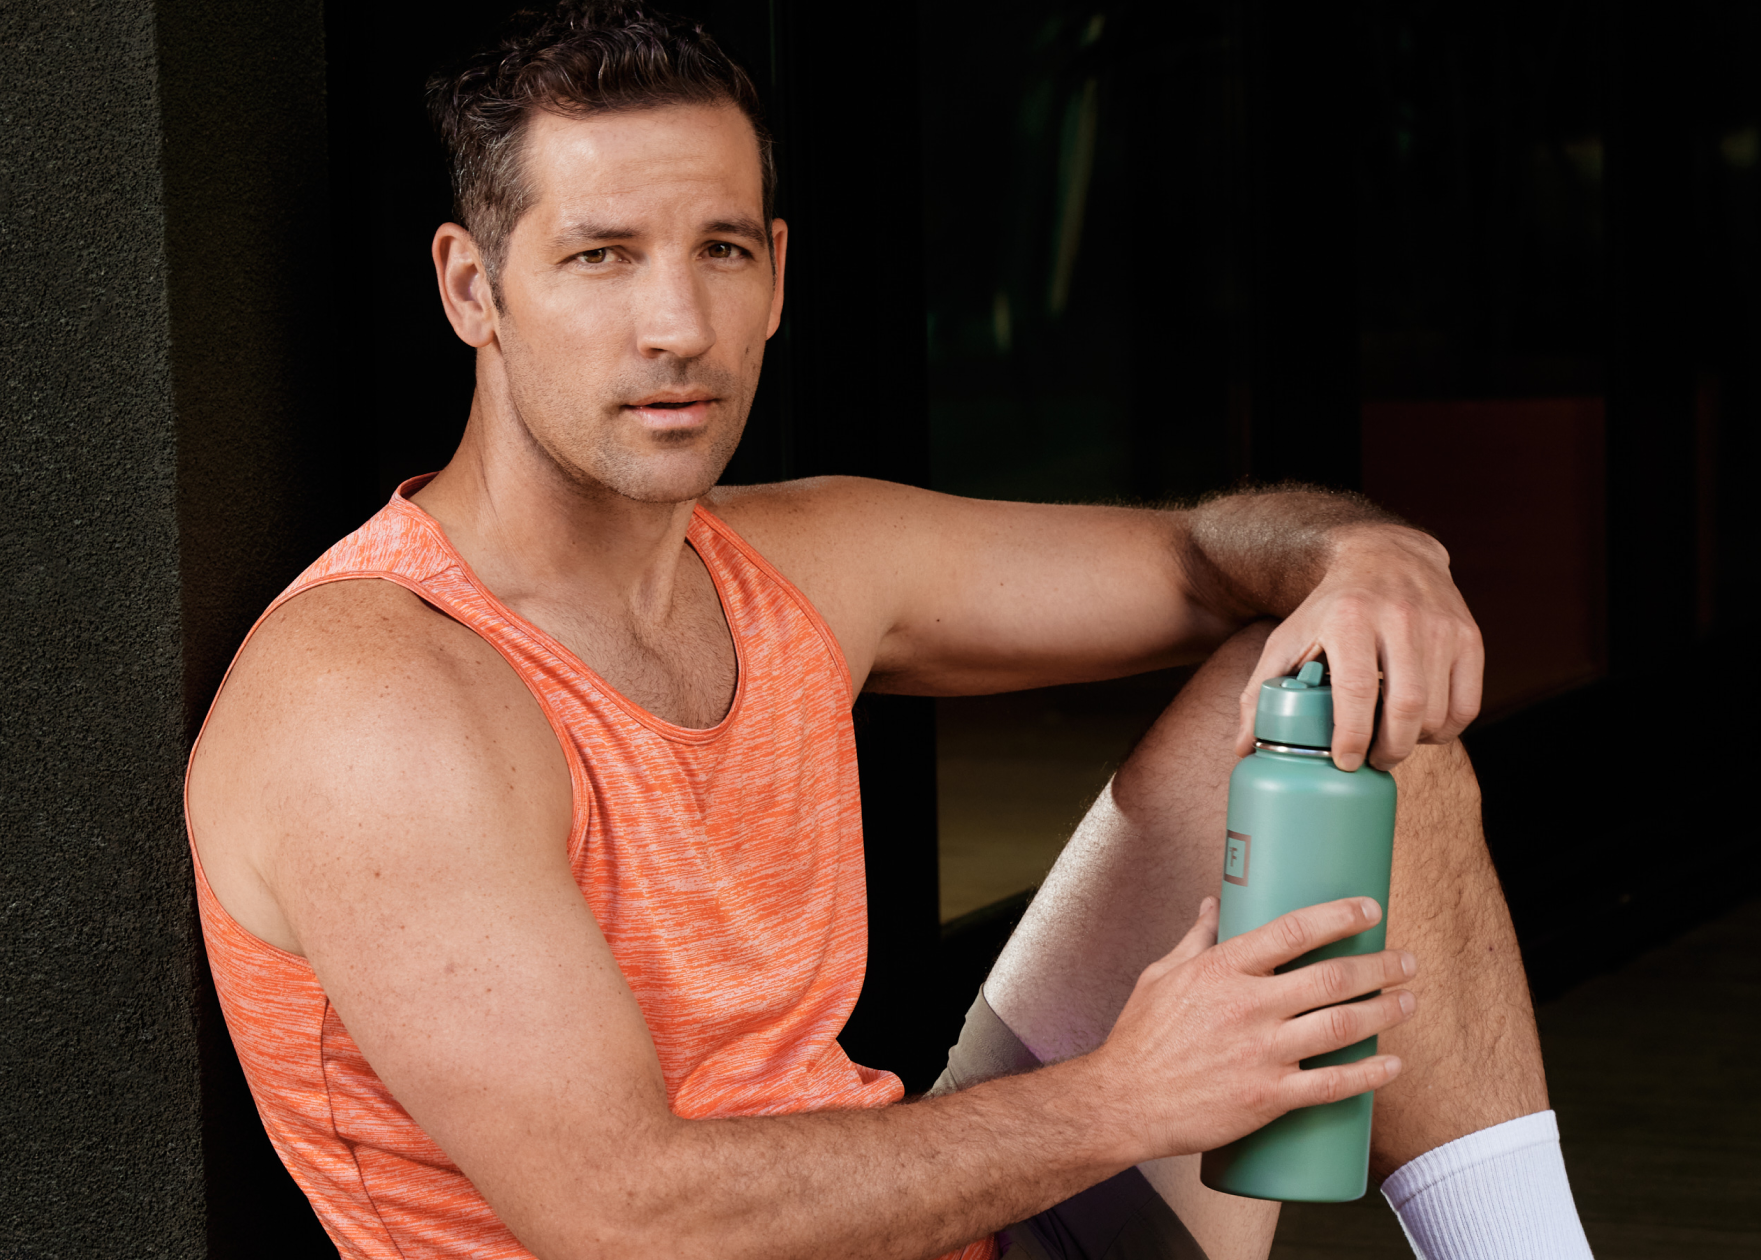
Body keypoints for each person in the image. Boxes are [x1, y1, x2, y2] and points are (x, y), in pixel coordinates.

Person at [184, 4, 1594, 1257]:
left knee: (1337, 689)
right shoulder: (378, 691)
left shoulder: (797, 560)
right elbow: (621, 1218)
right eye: (600, 257)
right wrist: (1126, 1098)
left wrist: (1367, 553)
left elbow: (1199, 560)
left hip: (942, 1220)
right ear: (472, 289)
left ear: (779, 275)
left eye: (720, 251)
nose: (676, 323)